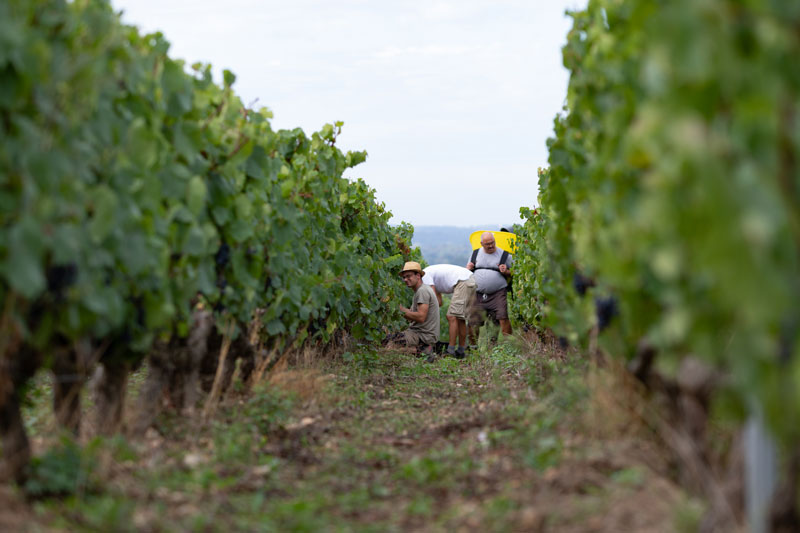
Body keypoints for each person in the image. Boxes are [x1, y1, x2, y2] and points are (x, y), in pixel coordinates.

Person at [421, 264, 476, 359]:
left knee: (451, 316)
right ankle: (461, 350)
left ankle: (450, 351)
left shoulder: (424, 276)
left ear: (417, 276)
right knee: (459, 317)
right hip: (468, 279)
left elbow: (433, 299)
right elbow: (439, 302)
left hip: (463, 280)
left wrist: (423, 314)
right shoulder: (431, 279)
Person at [467, 231, 513, 341]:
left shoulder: (505, 255)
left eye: (492, 242)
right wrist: (468, 268)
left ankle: (510, 345)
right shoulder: (475, 254)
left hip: (498, 292)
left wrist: (506, 271)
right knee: (473, 321)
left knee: (503, 317)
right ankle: (473, 348)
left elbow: (515, 272)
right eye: (487, 244)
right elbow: (468, 271)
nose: (491, 246)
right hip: (477, 293)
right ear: (481, 243)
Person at [390, 261, 440, 361]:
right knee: (392, 339)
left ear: (418, 275)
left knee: (391, 342)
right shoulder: (420, 290)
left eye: (408, 276)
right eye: (404, 277)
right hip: (423, 334)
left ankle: (420, 350)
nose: (405, 279)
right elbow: (414, 314)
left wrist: (400, 310)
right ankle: (421, 350)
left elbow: (421, 317)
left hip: (423, 335)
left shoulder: (422, 291)